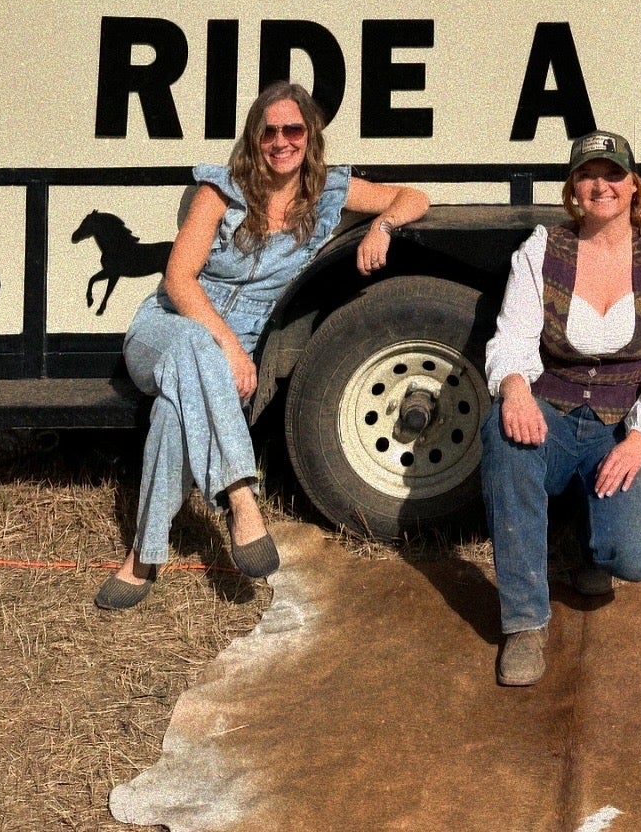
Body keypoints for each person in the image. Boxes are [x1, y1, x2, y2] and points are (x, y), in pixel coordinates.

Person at [95, 81, 429, 609]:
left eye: (292, 129)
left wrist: (381, 227)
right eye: (269, 131)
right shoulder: (220, 190)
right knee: (193, 351)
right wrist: (227, 345)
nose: (281, 141)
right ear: (254, 138)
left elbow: (415, 196)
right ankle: (241, 497)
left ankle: (143, 556)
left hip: (235, 344)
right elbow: (180, 280)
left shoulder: (326, 194)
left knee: (172, 411)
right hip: (169, 325)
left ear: (310, 136)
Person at [480, 129, 641, 686]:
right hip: (552, 412)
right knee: (504, 438)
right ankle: (525, 621)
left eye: (613, 174)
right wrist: (513, 388)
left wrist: (640, 439)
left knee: (636, 558)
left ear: (633, 186)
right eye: (587, 175)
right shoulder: (541, 249)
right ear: (572, 189)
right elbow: (512, 338)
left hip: (621, 423)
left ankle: (592, 546)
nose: (600, 185)